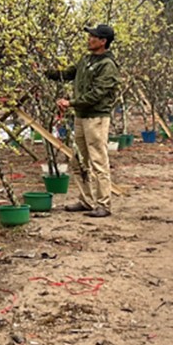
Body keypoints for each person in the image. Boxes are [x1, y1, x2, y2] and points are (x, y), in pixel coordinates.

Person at [46, 24, 121, 217]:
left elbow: (96, 94)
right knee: (78, 160)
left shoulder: (107, 66)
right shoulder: (86, 59)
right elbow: (69, 74)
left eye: (93, 37)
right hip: (81, 116)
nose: (89, 39)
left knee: (98, 160)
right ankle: (86, 200)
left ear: (103, 41)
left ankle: (103, 204)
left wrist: (70, 102)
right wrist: (46, 71)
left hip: (96, 118)